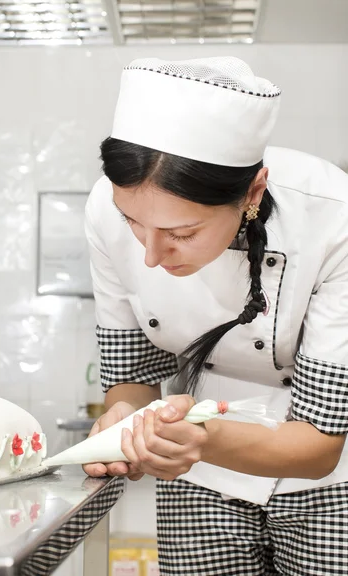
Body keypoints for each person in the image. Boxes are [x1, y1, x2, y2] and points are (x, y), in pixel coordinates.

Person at [83, 56, 348, 575]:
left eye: (181, 234)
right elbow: (131, 380)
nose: (151, 256)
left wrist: (196, 439)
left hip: (328, 482)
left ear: (251, 194)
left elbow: (319, 446)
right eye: (133, 223)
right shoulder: (105, 210)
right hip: (196, 477)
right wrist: (125, 422)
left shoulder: (333, 218)